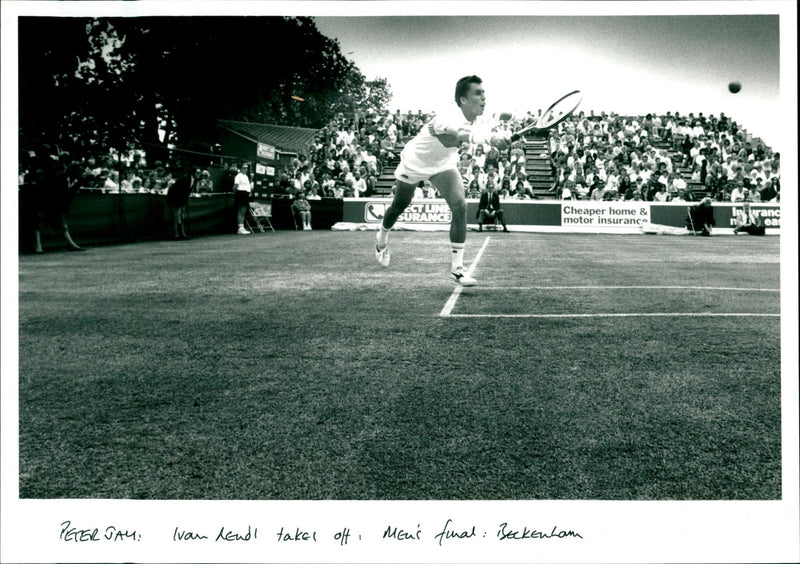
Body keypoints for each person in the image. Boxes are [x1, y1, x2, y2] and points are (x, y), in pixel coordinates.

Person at [374, 75, 511, 285]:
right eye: (478, 93)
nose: (483, 98)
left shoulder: (482, 116)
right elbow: (462, 133)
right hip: (415, 162)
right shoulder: (447, 116)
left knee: (460, 206)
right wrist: (492, 138)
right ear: (463, 100)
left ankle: (457, 269)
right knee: (399, 205)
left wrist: (511, 118)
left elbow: (502, 114)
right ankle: (382, 237)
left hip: (443, 165)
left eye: (484, 93)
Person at [166, 165, 194, 239]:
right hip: (174, 199)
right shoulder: (185, 178)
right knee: (177, 217)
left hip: (179, 200)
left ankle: (182, 234)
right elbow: (180, 191)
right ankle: (176, 235)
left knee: (180, 216)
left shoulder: (190, 179)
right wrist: (181, 202)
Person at [233, 164, 252, 235]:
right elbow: (235, 186)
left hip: (245, 194)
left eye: (246, 168)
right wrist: (236, 193)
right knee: (241, 211)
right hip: (240, 194)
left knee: (243, 211)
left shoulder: (246, 176)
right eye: (244, 168)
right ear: (241, 168)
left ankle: (242, 227)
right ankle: (240, 228)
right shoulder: (238, 176)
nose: (245, 169)